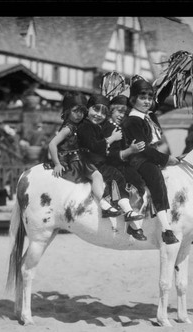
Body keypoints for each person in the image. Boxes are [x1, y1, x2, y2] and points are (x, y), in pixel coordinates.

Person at [77, 94, 146, 240]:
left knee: (132, 177)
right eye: (96, 110)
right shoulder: (90, 126)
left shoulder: (102, 126)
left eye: (103, 112)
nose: (99, 115)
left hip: (103, 161)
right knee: (118, 177)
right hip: (93, 162)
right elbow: (97, 147)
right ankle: (130, 219)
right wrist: (113, 141)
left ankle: (134, 218)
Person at [120, 78, 181, 245]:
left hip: (150, 153)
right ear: (133, 100)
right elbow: (143, 149)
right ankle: (166, 229)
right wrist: (166, 159)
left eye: (149, 98)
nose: (147, 101)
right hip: (138, 158)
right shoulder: (133, 120)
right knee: (155, 177)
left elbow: (159, 100)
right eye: (142, 98)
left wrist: (172, 78)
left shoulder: (148, 114)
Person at [48, 92, 120, 217]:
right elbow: (52, 144)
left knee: (97, 175)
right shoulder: (68, 128)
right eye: (75, 111)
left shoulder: (80, 125)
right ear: (68, 111)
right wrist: (57, 164)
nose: (79, 115)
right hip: (73, 160)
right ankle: (103, 202)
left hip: (80, 159)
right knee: (97, 176)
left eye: (82, 111)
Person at [101, 94, 148, 240]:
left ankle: (136, 221)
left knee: (141, 180)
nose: (122, 115)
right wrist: (130, 151)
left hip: (122, 163)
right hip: (110, 164)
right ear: (111, 110)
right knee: (127, 183)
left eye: (125, 113)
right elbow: (107, 153)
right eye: (119, 111)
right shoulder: (108, 128)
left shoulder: (119, 127)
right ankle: (134, 225)